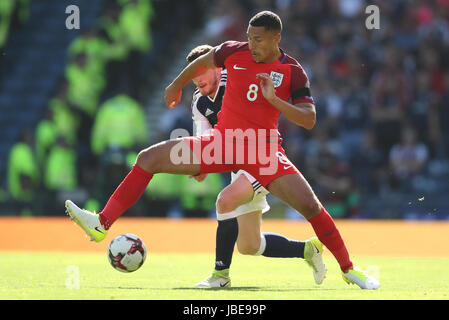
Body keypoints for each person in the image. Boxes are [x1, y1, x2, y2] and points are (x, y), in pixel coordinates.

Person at [66, 11, 379, 289]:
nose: (251, 44)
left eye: (258, 39)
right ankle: (101, 223)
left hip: (262, 153)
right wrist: (175, 85)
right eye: (249, 38)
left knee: (311, 208)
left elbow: (309, 119)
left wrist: (275, 101)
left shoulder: (293, 71)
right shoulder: (233, 52)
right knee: (147, 158)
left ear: (275, 38)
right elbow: (202, 62)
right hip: (221, 147)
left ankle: (349, 269)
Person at [184, 45, 324, 288]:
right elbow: (204, 137)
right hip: (239, 166)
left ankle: (220, 276)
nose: (196, 78)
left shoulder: (236, 79)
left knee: (224, 200)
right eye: (192, 73)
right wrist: (202, 165)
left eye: (201, 70)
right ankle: (308, 250)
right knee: (249, 245)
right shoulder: (199, 102)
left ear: (217, 68)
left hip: (262, 158)